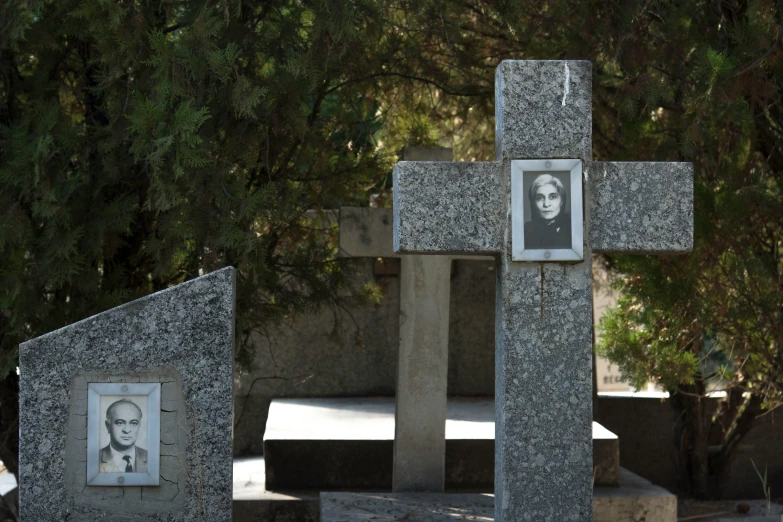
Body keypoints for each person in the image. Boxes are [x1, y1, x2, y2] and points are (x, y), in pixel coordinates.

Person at [99, 399, 148, 473]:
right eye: (120, 423)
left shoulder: (152, 458)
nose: (127, 430)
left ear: (139, 426)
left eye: (133, 423)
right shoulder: (94, 459)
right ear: (108, 426)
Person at [524, 173, 571, 250]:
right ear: (533, 202)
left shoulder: (573, 229)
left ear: (561, 201)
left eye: (552, 197)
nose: (546, 204)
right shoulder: (524, 232)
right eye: (540, 198)